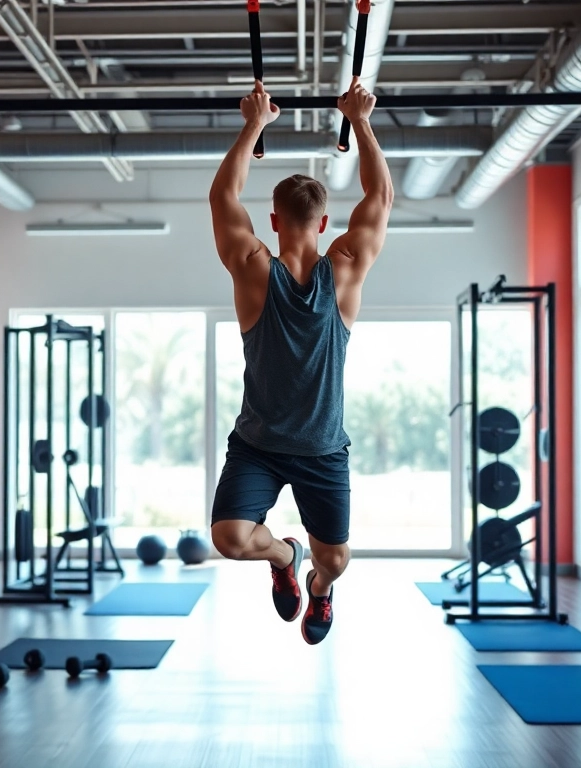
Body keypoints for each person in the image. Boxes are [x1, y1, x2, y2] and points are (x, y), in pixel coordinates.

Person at [207, 79, 392, 644]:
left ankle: (317, 585)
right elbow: (380, 198)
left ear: (274, 221)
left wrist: (254, 123)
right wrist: (360, 120)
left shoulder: (272, 268)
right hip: (258, 444)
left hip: (322, 450)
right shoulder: (300, 268)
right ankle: (285, 555)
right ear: (323, 223)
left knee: (335, 561)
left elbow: (222, 199)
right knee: (232, 537)